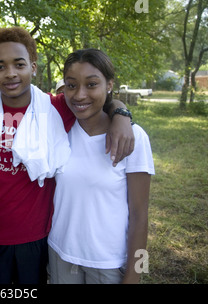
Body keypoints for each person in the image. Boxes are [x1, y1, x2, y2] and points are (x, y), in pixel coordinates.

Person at [0, 27, 135, 284]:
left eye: (19, 64)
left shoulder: (56, 107)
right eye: (0, 67)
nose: (11, 73)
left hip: (37, 237)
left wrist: (121, 114)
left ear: (33, 67)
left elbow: (101, 100)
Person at [48, 48, 155, 284]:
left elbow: (140, 214)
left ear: (109, 85)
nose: (79, 95)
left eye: (92, 84)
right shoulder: (57, 130)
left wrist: (134, 276)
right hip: (61, 255)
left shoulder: (133, 137)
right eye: (72, 85)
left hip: (108, 263)